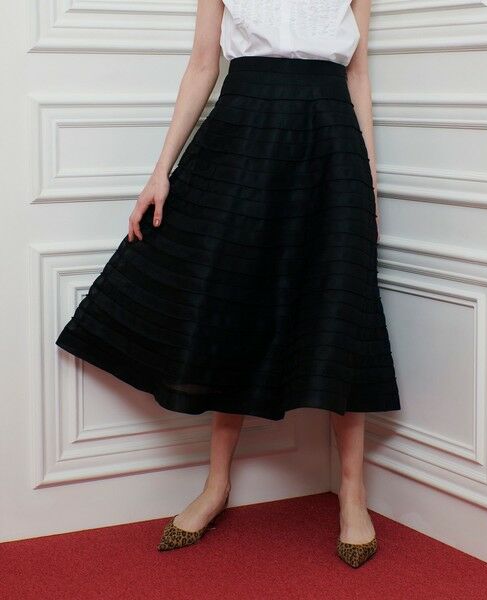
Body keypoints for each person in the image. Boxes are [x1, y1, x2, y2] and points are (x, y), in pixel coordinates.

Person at [55, 0, 401, 568]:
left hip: (330, 139)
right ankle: (216, 484)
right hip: (242, 132)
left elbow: (358, 76)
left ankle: (352, 491)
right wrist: (160, 171)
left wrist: (369, 181)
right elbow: (202, 65)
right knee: (231, 297)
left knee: (342, 301)